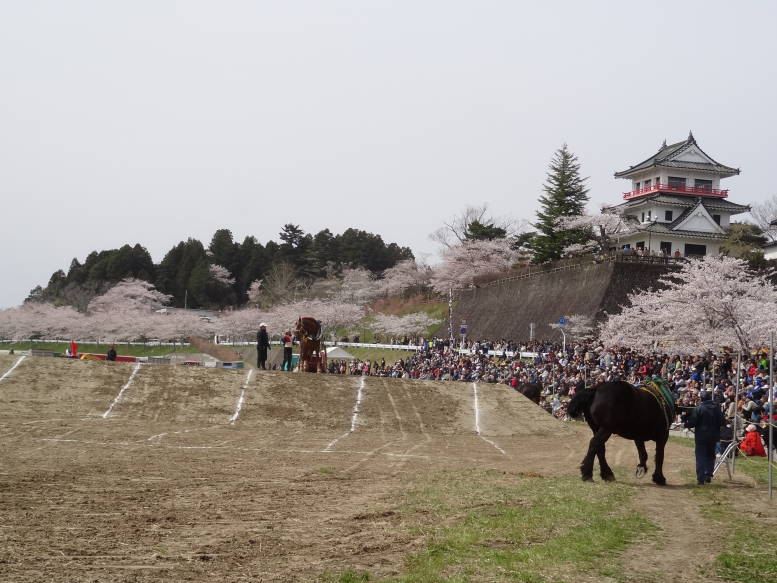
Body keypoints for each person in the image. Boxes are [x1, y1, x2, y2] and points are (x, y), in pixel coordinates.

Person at [684, 390, 725, 485]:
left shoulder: (699, 408)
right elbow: (723, 421)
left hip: (701, 437)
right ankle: (708, 474)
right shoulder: (717, 408)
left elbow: (692, 423)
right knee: (710, 456)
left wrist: (685, 424)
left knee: (700, 457)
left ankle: (700, 479)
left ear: (701, 398)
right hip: (714, 437)